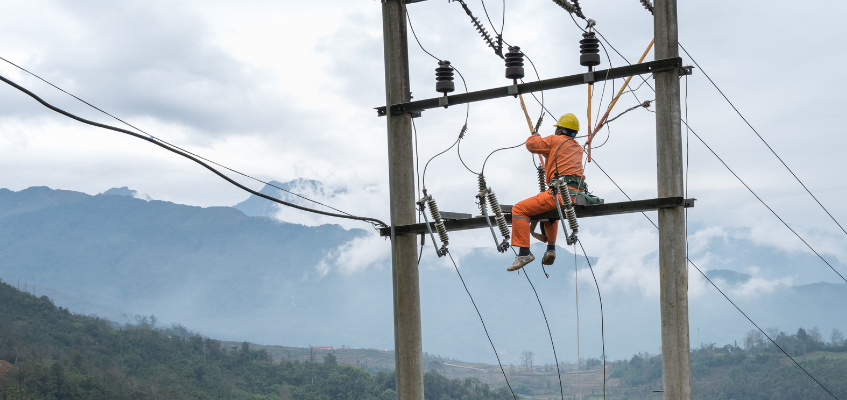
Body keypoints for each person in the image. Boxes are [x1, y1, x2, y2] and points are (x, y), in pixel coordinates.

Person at [507, 113, 590, 272]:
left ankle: (524, 253)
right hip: (577, 193)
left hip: (560, 192)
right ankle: (550, 249)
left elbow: (532, 146)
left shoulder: (555, 140)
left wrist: (534, 137)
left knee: (519, 209)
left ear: (559, 130)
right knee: (552, 211)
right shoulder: (577, 148)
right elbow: (558, 157)